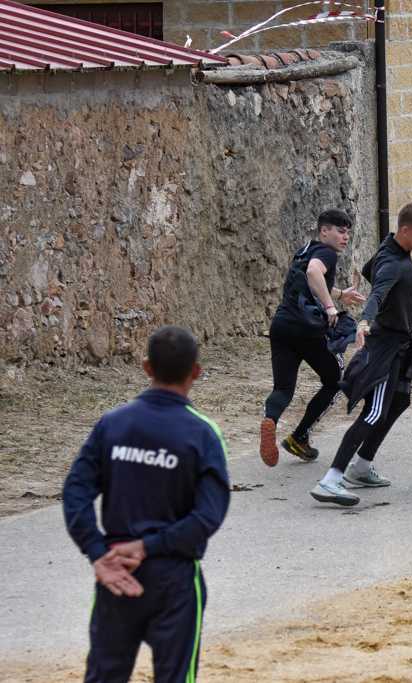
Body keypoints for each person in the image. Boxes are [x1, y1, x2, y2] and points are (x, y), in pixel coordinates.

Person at [62, 325, 231, 683]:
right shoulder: (203, 434)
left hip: (116, 572)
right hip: (175, 579)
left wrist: (97, 552)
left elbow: (76, 491)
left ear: (146, 367)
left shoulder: (112, 424)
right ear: (196, 372)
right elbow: (209, 515)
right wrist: (149, 546)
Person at [311, 202, 412, 506]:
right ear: (405, 230)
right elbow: (377, 294)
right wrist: (365, 321)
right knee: (375, 411)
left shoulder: (390, 249)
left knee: (400, 401)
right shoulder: (393, 263)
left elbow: (369, 270)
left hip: (401, 345)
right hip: (386, 348)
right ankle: (331, 480)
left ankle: (362, 467)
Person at [260, 209, 366, 467]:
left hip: (281, 326)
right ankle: (299, 437)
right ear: (324, 231)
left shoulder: (305, 250)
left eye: (348, 232)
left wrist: (339, 294)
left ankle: (270, 419)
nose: (345, 237)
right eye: (340, 231)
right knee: (335, 380)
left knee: (283, 389)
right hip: (307, 330)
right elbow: (313, 273)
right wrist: (331, 308)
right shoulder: (327, 254)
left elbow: (308, 281)